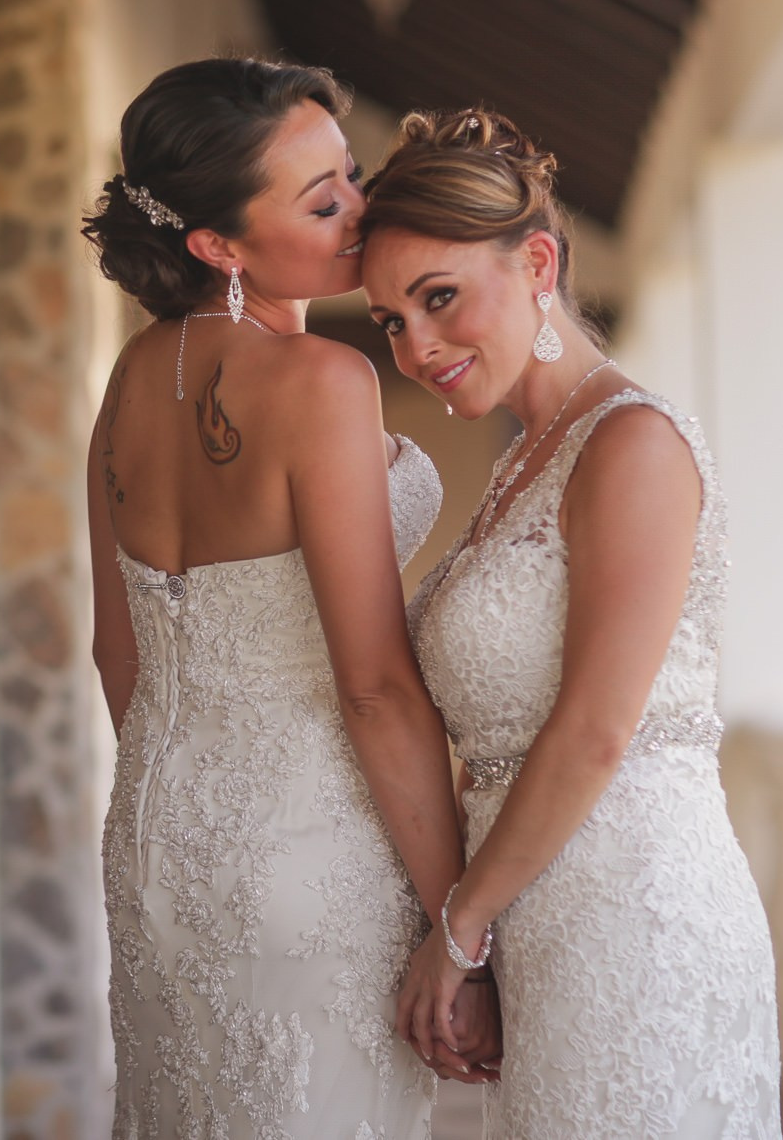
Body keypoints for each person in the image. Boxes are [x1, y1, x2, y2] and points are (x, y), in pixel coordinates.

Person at [82, 59, 496, 1138]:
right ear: (217, 246)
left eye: (349, 175)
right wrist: (462, 925)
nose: (363, 208)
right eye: (322, 202)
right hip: (307, 850)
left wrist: (193, 810)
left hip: (155, 843)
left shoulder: (128, 381)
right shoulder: (322, 382)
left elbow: (115, 655)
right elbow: (372, 689)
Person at [363, 108, 781, 1138]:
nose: (415, 346)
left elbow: (596, 729)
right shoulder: (524, 462)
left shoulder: (631, 444)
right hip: (548, 927)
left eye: (438, 299)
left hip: (640, 924)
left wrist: (455, 932)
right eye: (388, 320)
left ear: (536, 263)